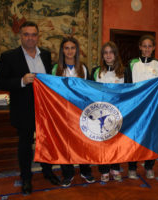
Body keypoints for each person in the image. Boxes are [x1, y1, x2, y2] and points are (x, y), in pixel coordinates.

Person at [0, 21, 60, 194]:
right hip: (23, 109)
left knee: (45, 142)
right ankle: (26, 178)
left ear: (38, 36)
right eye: (26, 34)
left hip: (45, 108)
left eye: (33, 34)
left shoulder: (45, 54)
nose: (30, 38)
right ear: (20, 36)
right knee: (25, 145)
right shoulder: (9, 56)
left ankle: (48, 172)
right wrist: (22, 81)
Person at [52, 37, 95, 186]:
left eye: (72, 48)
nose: (69, 51)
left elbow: (88, 91)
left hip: (80, 112)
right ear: (62, 50)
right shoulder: (55, 68)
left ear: (77, 50)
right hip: (63, 113)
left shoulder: (83, 68)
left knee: (83, 142)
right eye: (66, 48)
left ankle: (85, 171)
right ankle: (67, 173)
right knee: (65, 143)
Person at [126, 35, 158, 179]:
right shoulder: (132, 63)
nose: (147, 49)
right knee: (134, 137)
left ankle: (149, 166)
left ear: (153, 48)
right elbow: (128, 85)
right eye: (144, 46)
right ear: (140, 47)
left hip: (153, 108)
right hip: (135, 107)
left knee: (151, 136)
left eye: (150, 46)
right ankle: (132, 167)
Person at [91, 41, 126, 182]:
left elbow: (130, 93)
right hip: (100, 114)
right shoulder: (96, 71)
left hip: (118, 114)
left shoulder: (124, 72)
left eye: (111, 52)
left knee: (116, 142)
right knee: (103, 143)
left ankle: (115, 167)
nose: (108, 55)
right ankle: (104, 170)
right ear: (102, 55)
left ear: (116, 54)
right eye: (105, 52)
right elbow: (90, 91)